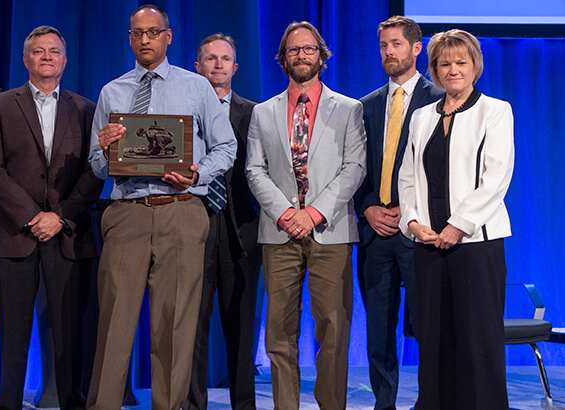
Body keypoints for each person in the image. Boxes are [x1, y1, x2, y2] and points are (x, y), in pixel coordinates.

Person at [85, 5, 237, 409]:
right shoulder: (112, 92)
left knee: (174, 327)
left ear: (168, 37)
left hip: (181, 211)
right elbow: (98, 167)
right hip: (127, 212)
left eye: (153, 32)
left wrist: (198, 173)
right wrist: (104, 146)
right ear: (130, 38)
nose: (146, 40)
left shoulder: (196, 87)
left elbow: (227, 146)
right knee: (115, 324)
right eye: (138, 33)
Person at [0, 25, 103, 410]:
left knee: (69, 331)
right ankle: (9, 402)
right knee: (12, 331)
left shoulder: (86, 110)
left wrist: (59, 217)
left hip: (68, 235)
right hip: (11, 234)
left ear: (64, 60)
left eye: (53, 51)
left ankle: (71, 401)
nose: (46, 56)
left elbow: (95, 170)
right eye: (38, 51)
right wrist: (34, 216)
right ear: (25, 59)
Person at [245, 21, 366, 410]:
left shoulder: (349, 109)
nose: (301, 55)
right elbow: (254, 170)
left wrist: (312, 213)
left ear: (321, 55)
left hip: (330, 231)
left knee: (333, 329)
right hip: (279, 234)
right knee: (279, 333)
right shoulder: (263, 113)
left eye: (308, 49)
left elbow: (355, 168)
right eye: (293, 50)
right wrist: (286, 214)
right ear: (283, 58)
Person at [397, 29, 514, 410]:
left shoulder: (495, 111)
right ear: (433, 69)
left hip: (475, 244)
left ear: (475, 66)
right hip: (428, 244)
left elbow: (496, 177)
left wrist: (458, 225)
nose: (452, 70)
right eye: (444, 63)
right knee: (434, 337)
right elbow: (407, 176)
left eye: (460, 62)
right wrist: (413, 223)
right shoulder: (420, 117)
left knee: (478, 339)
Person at [353, 16, 443, 410]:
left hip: (419, 231)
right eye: (384, 45)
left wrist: (409, 214)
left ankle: (430, 401)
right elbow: (355, 168)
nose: (389, 52)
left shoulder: (439, 100)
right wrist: (368, 207)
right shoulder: (367, 105)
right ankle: (384, 404)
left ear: (416, 48)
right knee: (378, 329)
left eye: (397, 44)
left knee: (428, 325)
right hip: (376, 234)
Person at [186, 33, 260, 410]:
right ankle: (193, 404)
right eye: (210, 58)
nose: (218, 64)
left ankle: (243, 404)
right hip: (191, 227)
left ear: (235, 66)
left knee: (241, 327)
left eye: (225, 58)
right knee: (190, 327)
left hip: (240, 231)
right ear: (197, 66)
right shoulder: (182, 112)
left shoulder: (254, 113)